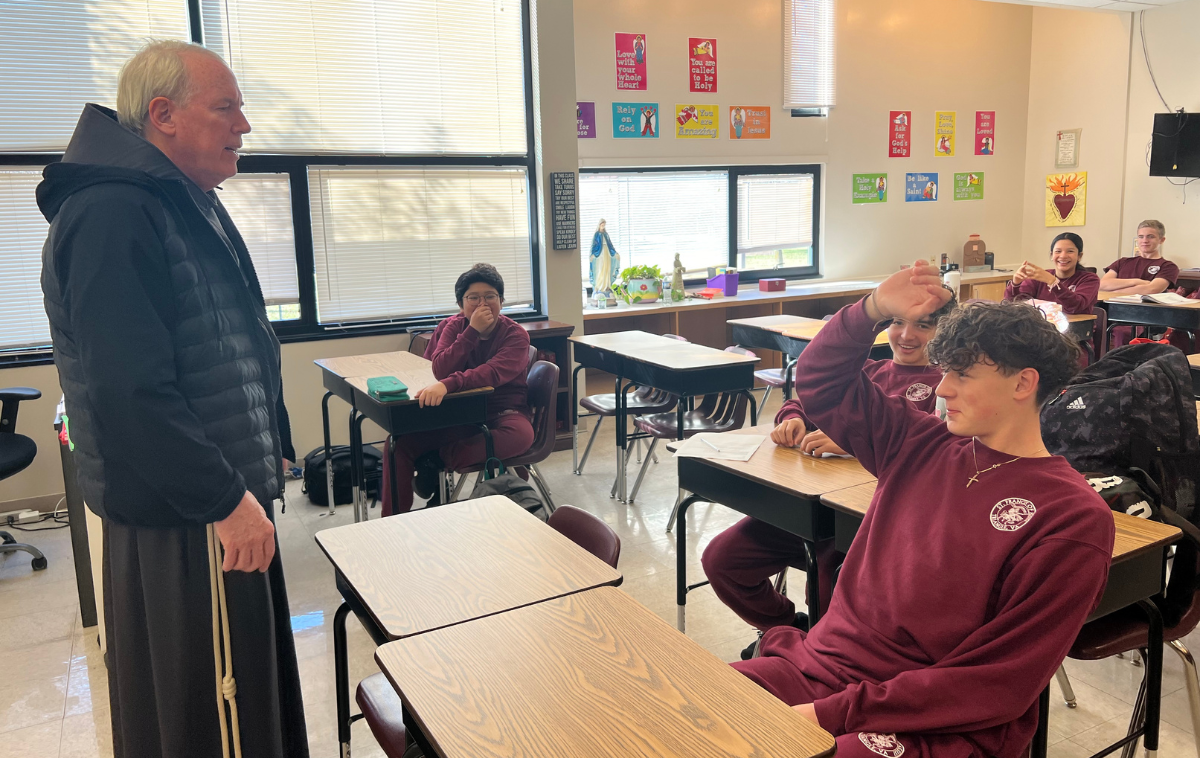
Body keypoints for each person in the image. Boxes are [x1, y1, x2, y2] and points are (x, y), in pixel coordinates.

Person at [38, 41, 307, 758]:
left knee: (250, 709)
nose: (244, 126)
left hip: (217, 501)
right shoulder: (112, 214)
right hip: (191, 520)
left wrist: (267, 439)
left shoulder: (182, 202)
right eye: (227, 107)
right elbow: (133, 394)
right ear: (163, 116)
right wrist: (225, 498)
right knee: (214, 719)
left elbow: (232, 337)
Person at [731, 262, 1114, 758]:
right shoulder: (918, 442)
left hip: (938, 721)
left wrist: (829, 715)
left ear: (1023, 384)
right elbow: (822, 382)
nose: (941, 388)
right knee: (682, 710)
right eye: (945, 371)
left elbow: (998, 683)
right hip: (820, 668)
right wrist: (871, 309)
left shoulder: (1072, 517)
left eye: (962, 374)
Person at [702, 297, 954, 660]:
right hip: (812, 507)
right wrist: (794, 419)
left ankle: (818, 655)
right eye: (897, 322)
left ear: (944, 332)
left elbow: (929, 448)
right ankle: (790, 631)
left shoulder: (944, 388)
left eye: (923, 326)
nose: (906, 335)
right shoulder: (868, 370)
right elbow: (803, 399)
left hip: (869, 524)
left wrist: (853, 441)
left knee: (826, 583)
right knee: (723, 559)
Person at [381, 264, 534, 514]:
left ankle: (437, 461)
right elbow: (440, 368)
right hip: (458, 413)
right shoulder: (452, 326)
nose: (482, 303)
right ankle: (392, 521)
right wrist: (471, 332)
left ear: (502, 301)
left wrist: (449, 384)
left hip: (502, 411)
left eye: (490, 296)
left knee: (521, 437)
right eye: (473, 298)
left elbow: (492, 373)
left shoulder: (515, 335)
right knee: (395, 445)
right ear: (461, 305)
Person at [1102, 220, 1178, 346]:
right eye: (1141, 236)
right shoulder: (1123, 262)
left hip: (1144, 316)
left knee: (1123, 331)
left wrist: (1114, 291)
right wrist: (1136, 281)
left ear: (1161, 240)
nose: (1145, 240)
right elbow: (1103, 285)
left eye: (1150, 236)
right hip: (1112, 311)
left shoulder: (1168, 266)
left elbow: (1152, 289)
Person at [1003, 232, 1099, 315]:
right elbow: (1013, 304)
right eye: (1058, 251)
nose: (1063, 256)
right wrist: (1015, 284)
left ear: (1079, 256)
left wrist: (1053, 282)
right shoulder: (1040, 277)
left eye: (1070, 251)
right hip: (1040, 330)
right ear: (1051, 255)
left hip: (1074, 332)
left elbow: (1075, 306)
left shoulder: (1090, 279)